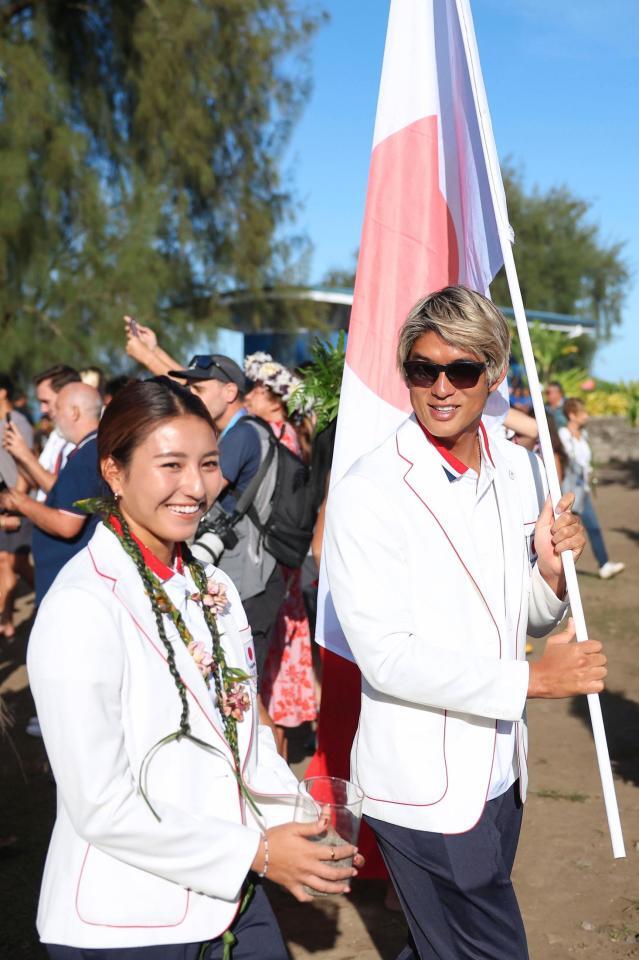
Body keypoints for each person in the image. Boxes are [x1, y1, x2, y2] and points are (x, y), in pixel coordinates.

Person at [27, 377, 361, 958]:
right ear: (113, 471)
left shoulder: (215, 587)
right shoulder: (82, 606)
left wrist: (307, 826)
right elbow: (101, 804)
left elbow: (247, 740)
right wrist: (257, 854)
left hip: (231, 893)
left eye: (208, 463)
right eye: (170, 464)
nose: (196, 486)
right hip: (127, 918)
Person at [323, 286, 605, 960]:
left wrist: (548, 571)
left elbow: (524, 615)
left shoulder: (518, 466)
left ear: (495, 372)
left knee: (439, 948)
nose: (440, 387)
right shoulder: (369, 489)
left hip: (500, 770)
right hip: (421, 784)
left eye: (461, 370)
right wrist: (531, 681)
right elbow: (386, 656)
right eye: (422, 369)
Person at [124, 319, 288, 684]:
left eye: (200, 386)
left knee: (239, 687)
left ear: (230, 391)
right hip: (247, 573)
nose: (191, 393)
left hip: (249, 579)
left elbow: (197, 497)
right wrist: (153, 351)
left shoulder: (241, 437)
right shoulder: (237, 431)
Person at [243, 353, 317, 757]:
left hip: (268, 569)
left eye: (256, 389)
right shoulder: (291, 434)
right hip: (284, 571)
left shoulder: (270, 438)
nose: (248, 396)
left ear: (274, 399)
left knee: (265, 682)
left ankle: (275, 768)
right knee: (271, 675)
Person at [1, 383, 104, 604]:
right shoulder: (90, 449)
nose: (50, 414)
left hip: (71, 586)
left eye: (56, 407)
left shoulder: (87, 454)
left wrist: (21, 502)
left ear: (74, 412)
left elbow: (67, 525)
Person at [559, 397, 625, 580]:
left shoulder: (584, 434)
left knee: (590, 528)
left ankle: (603, 564)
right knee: (569, 529)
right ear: (572, 415)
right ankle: (566, 568)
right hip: (570, 490)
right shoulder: (563, 434)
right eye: (583, 413)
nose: (586, 416)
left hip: (583, 488)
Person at [3, 364, 81, 501]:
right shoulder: (56, 435)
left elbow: (64, 493)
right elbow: (37, 483)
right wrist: (17, 455)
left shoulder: (87, 439)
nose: (42, 410)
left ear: (67, 395)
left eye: (46, 401)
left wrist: (26, 456)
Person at [0, 374, 34, 638]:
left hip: (19, 503)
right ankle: (7, 621)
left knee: (17, 564)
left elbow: (27, 463)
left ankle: (49, 597)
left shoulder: (16, 421)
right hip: (7, 502)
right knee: (6, 563)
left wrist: (17, 502)